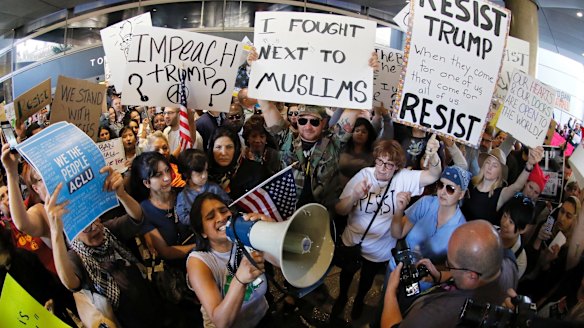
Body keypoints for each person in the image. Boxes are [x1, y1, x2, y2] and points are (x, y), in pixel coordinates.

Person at [331, 138, 442, 321]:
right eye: (380, 162)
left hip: (379, 248)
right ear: (375, 160)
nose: (383, 168)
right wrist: (354, 196)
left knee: (367, 279)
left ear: (397, 167)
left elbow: (433, 175)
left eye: (389, 165)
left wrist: (433, 154)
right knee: (347, 273)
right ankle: (342, 297)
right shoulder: (364, 175)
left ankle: (359, 300)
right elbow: (340, 210)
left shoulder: (403, 178)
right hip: (353, 240)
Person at [45, 169, 170, 327]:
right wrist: (55, 232)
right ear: (73, 233)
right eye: (86, 228)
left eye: (96, 220)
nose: (95, 228)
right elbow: (70, 282)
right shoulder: (76, 256)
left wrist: (122, 195)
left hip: (152, 306)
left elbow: (137, 218)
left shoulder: (108, 230)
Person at [382, 220, 519, 328]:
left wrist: (391, 291)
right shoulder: (509, 262)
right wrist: (440, 276)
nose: (447, 267)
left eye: (451, 265)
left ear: (471, 275)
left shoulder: (437, 315)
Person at [186, 192, 270, 327]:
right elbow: (221, 323)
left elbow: (279, 258)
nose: (221, 218)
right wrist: (239, 280)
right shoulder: (198, 262)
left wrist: (268, 227)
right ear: (203, 232)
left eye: (223, 210)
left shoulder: (243, 234)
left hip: (261, 315)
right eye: (211, 217)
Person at [390, 165, 470, 268]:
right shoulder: (426, 203)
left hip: (425, 282)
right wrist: (399, 210)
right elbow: (397, 234)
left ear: (461, 194)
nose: (443, 192)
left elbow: (453, 268)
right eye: (441, 185)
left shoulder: (461, 228)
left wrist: (433, 274)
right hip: (397, 268)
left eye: (450, 188)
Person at [130, 152, 195, 262]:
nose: (167, 178)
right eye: (158, 175)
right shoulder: (145, 210)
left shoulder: (183, 194)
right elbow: (166, 252)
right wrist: (200, 247)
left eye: (167, 171)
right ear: (147, 183)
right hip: (179, 265)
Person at [520, 196, 582, 303]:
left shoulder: (570, 250)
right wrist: (538, 240)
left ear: (575, 220)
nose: (562, 218)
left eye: (568, 216)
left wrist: (547, 264)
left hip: (537, 293)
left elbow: (552, 284)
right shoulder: (547, 226)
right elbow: (527, 256)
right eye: (562, 211)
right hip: (524, 278)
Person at [461, 146, 544, 225]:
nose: (490, 167)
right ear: (483, 165)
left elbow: (517, 186)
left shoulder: (500, 194)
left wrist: (529, 165)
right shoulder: (471, 183)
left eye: (495, 165)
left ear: (500, 173)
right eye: (488, 162)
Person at [230, 115, 281, 200]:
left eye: (262, 136)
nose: (258, 140)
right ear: (247, 138)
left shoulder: (274, 156)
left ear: (266, 138)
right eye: (253, 136)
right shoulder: (240, 156)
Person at [176, 149, 231, 225]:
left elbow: (227, 203)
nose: (204, 175)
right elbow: (183, 218)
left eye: (206, 170)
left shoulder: (214, 188)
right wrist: (201, 219)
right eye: (199, 173)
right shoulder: (183, 196)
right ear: (186, 174)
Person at [498, 195, 534, 278]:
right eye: (504, 216)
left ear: (523, 229)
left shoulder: (519, 260)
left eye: (511, 222)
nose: (504, 223)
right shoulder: (490, 230)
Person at [207, 127, 242, 194]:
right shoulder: (203, 174)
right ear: (211, 150)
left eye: (229, 147)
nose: (223, 153)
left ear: (236, 149)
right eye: (218, 147)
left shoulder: (251, 174)